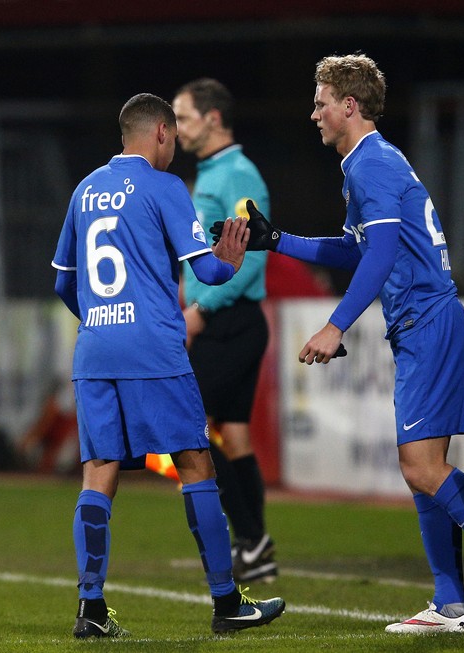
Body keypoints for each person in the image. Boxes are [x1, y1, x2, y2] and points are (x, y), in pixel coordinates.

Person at [213, 53, 464, 635]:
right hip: (424, 323)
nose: (314, 113)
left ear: (349, 105)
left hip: (428, 321)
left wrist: (336, 324)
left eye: (321, 103)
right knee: (424, 468)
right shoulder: (367, 163)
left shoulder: (370, 164)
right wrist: (278, 240)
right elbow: (357, 249)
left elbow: (383, 255)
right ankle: (450, 605)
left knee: (420, 467)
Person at [50, 92, 285, 638]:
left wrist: (102, 319)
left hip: (94, 350)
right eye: (173, 136)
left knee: (99, 473)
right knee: (196, 462)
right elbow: (209, 271)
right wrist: (231, 259)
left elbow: (63, 281)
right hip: (154, 348)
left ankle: (91, 610)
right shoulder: (165, 187)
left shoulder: (85, 189)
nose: (175, 146)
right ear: (160, 132)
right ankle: (226, 602)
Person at [172, 77, 276, 583]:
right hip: (228, 321)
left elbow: (252, 258)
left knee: (184, 423)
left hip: (230, 322)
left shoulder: (236, 174)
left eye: (183, 117)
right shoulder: (213, 172)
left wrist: (201, 309)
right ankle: (256, 548)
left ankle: (250, 539)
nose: (176, 128)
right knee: (233, 436)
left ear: (213, 119)